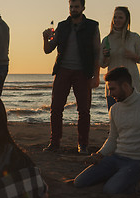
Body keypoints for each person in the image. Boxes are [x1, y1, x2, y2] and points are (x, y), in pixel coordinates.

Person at [74, 67, 140, 194]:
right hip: (116, 158)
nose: (110, 94)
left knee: (111, 190)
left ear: (125, 86)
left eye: (113, 89)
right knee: (79, 182)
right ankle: (121, 178)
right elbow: (113, 138)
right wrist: (100, 154)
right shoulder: (114, 109)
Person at [42, 0, 101, 154]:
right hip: (63, 70)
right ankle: (54, 143)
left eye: (76, 7)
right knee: (55, 108)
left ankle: (83, 144)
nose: (73, 9)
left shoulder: (92, 26)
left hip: (83, 72)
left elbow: (97, 52)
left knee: (84, 110)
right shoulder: (62, 26)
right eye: (71, 7)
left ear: (83, 8)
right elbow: (48, 50)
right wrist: (45, 38)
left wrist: (96, 76)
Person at [100, 6, 140, 110]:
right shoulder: (107, 39)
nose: (117, 20)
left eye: (120, 17)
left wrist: (134, 56)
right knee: (114, 114)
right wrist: (106, 57)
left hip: (131, 82)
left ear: (126, 20)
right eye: (115, 17)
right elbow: (102, 64)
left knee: (132, 116)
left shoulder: (134, 37)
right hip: (113, 83)